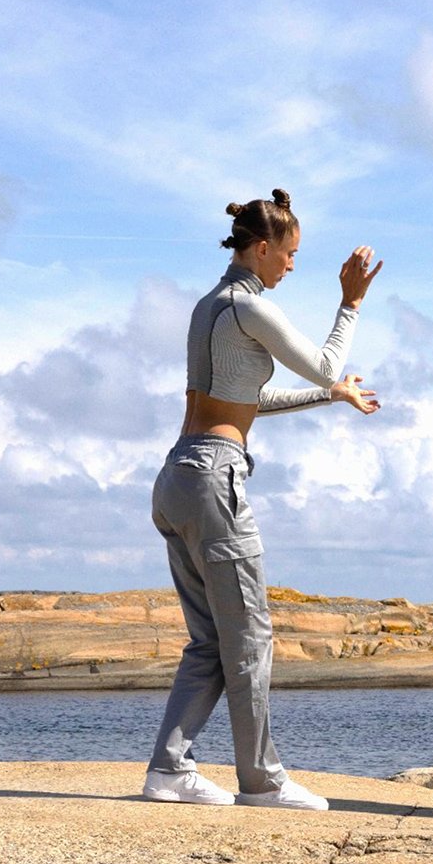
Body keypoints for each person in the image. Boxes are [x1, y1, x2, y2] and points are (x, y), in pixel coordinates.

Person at [144, 188, 382, 811]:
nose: (292, 265)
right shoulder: (251, 308)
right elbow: (327, 362)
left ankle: (169, 770)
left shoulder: (208, 307)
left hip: (177, 477)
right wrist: (350, 303)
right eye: (289, 253)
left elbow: (243, 404)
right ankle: (263, 781)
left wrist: (331, 399)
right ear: (261, 247)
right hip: (214, 478)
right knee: (248, 636)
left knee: (209, 641)